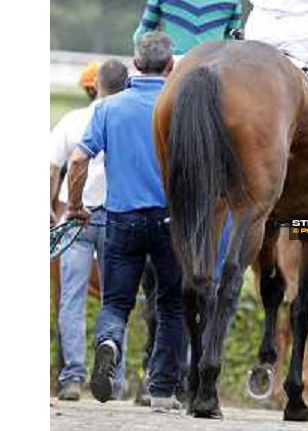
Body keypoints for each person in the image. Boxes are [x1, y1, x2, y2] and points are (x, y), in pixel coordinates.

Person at [66, 34, 186, 413]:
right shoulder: (181, 107)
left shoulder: (108, 108)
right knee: (170, 305)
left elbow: (77, 162)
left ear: (135, 66)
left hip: (120, 218)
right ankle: (162, 389)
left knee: (116, 303)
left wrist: (75, 206)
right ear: (170, 67)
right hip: (170, 221)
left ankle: (110, 345)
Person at [50, 59, 130, 401]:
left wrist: (48, 208)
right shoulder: (128, 118)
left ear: (95, 87)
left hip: (75, 216)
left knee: (72, 297)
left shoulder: (72, 119)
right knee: (117, 299)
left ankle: (72, 378)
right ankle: (114, 380)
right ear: (125, 86)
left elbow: (52, 167)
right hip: (116, 217)